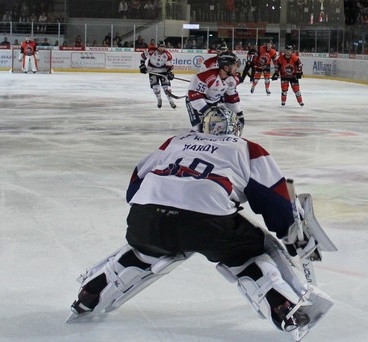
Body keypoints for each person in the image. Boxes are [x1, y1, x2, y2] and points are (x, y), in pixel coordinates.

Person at [66, 104, 333, 340]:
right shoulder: (246, 148)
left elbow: (136, 183)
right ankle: (282, 306)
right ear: (236, 127)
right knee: (253, 252)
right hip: (207, 223)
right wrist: (291, 235)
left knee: (145, 250)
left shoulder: (175, 141)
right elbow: (274, 198)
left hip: (144, 217)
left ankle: (92, 292)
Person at [185, 53, 244, 132]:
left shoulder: (232, 79)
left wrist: (239, 113)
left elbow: (231, 98)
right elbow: (194, 95)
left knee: (219, 126)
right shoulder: (207, 76)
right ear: (226, 68)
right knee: (200, 129)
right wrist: (206, 110)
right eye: (234, 66)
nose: (237, 68)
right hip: (194, 103)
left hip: (213, 101)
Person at [139, 41, 177, 109]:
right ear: (158, 46)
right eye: (160, 47)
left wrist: (169, 73)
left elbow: (169, 67)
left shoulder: (168, 55)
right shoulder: (151, 51)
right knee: (156, 88)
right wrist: (142, 65)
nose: (162, 48)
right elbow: (142, 57)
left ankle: (171, 101)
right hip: (152, 71)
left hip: (163, 72)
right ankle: (159, 99)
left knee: (167, 88)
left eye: (163, 47)